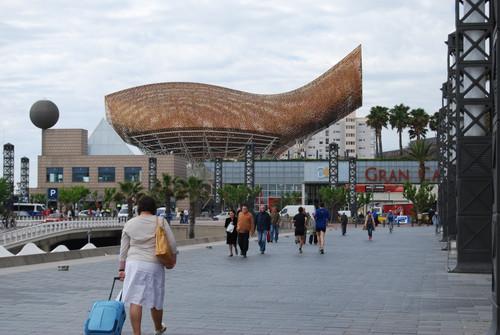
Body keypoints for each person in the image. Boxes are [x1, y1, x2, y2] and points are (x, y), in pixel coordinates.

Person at [118, 195, 176, 335]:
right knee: (155, 298)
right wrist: (172, 260)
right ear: (153, 208)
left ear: (139, 208)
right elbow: (172, 244)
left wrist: (121, 269)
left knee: (135, 300)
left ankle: (137, 333)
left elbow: (123, 249)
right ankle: (158, 328)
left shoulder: (130, 223)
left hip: (133, 264)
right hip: (154, 264)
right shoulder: (160, 221)